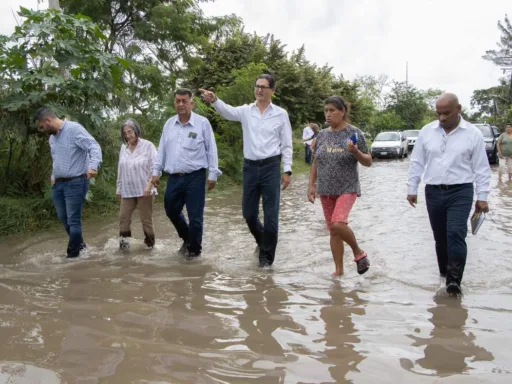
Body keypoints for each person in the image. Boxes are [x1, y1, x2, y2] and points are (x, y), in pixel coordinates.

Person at [199, 74, 293, 268]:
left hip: (271, 167)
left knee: (271, 216)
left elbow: (287, 144)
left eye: (264, 87)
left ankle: (265, 261)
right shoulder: (245, 111)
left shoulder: (280, 114)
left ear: (272, 91)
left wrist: (287, 170)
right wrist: (214, 100)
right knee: (248, 214)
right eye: (257, 86)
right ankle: (263, 241)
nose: (259, 90)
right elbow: (227, 112)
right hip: (250, 167)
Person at [407, 93, 491, 296]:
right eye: (439, 114)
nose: (442, 118)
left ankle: (454, 281)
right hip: (433, 191)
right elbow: (417, 161)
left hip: (461, 191)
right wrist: (412, 188)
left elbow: (481, 167)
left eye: (446, 113)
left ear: (458, 109)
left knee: (455, 233)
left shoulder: (473, 134)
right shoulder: (427, 132)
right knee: (440, 238)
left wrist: (482, 196)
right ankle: (444, 275)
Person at [151, 88, 221, 258]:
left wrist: (213, 174)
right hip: (174, 177)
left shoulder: (202, 123)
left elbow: (211, 149)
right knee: (170, 209)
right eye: (177, 101)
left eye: (184, 101)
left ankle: (194, 253)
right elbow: (162, 149)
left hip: (195, 177)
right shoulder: (169, 124)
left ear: (192, 103)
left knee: (195, 217)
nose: (181, 104)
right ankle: (188, 238)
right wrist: (156, 171)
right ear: (174, 103)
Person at [307, 96, 372, 276]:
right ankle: (338, 272)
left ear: (342, 111)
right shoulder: (321, 135)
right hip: (326, 190)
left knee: (337, 223)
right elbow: (315, 162)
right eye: (326, 110)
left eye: (332, 110)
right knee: (333, 232)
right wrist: (311, 186)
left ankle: (358, 253)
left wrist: (356, 151)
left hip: (347, 187)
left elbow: (368, 162)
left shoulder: (354, 133)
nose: (328, 114)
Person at [33, 106, 102, 258]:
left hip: (76, 182)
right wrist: (53, 176)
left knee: (73, 221)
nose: (42, 129)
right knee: (64, 219)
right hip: (58, 185)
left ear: (48, 120)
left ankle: (71, 258)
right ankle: (82, 248)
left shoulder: (74, 129)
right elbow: (56, 159)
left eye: (41, 126)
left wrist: (92, 166)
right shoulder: (52, 138)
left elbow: (94, 146)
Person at [116, 118, 158, 250]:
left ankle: (150, 246)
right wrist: (119, 188)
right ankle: (124, 247)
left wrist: (149, 185)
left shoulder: (148, 146)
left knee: (146, 220)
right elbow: (120, 169)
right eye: (125, 133)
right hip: (127, 190)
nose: (128, 135)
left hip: (144, 189)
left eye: (130, 132)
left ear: (136, 131)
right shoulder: (123, 148)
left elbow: (156, 167)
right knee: (123, 219)